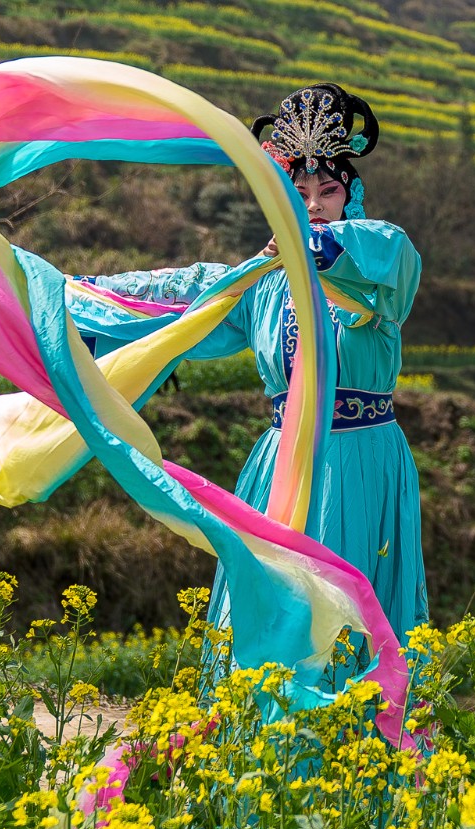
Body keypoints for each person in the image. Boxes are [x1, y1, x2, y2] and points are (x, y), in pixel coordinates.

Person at [76, 83, 427, 685]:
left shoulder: (376, 263)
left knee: (348, 613)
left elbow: (382, 255)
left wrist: (302, 247)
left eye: (328, 191)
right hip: (282, 460)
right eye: (299, 192)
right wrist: (64, 292)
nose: (313, 204)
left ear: (351, 195)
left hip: (359, 460)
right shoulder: (261, 282)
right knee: (272, 604)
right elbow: (175, 293)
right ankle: (263, 746)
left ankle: (357, 747)